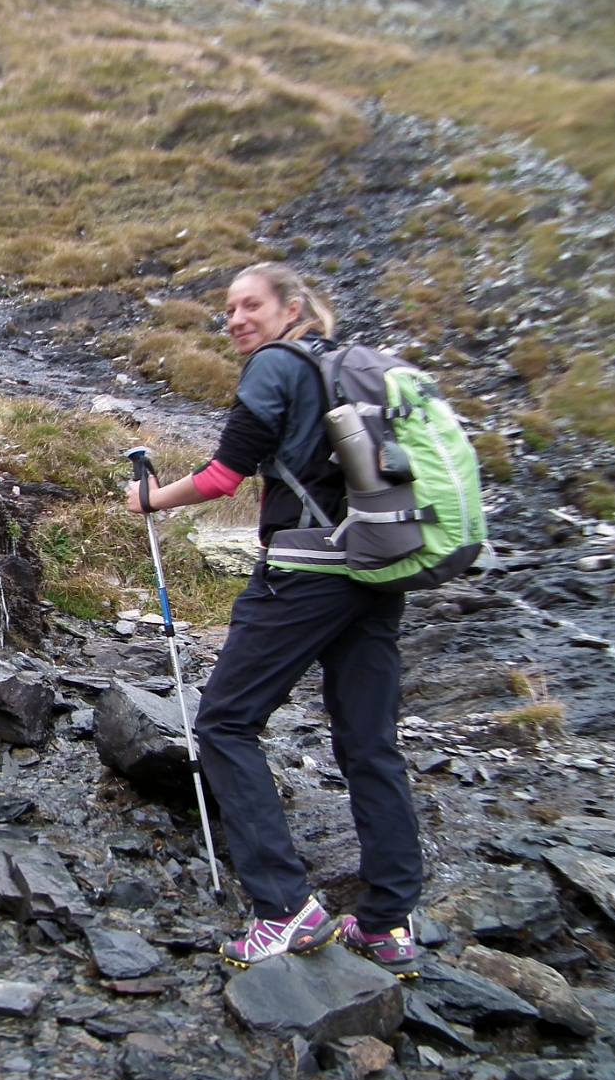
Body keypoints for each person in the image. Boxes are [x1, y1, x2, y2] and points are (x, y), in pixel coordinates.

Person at [124, 263, 422, 975]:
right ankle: (387, 924)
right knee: (370, 744)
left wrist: (153, 501)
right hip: (377, 567)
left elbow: (227, 474)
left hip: (306, 571)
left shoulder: (274, 367)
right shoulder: (346, 367)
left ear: (291, 309)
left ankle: (285, 910)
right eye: (228, 309)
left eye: (249, 304)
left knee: (224, 722)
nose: (235, 319)